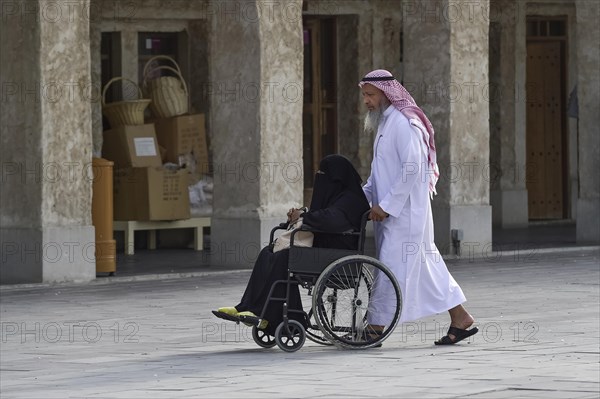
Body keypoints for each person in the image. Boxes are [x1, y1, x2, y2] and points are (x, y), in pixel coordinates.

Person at [359, 69, 478, 345]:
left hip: (406, 213)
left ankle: (376, 327)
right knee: (427, 265)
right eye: (364, 95)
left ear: (387, 94)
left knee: (390, 266)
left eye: (370, 95)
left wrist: (387, 206)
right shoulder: (385, 124)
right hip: (394, 213)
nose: (366, 101)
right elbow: (380, 172)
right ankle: (461, 318)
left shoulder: (403, 123)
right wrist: (363, 197)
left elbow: (413, 168)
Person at [214, 154, 370, 337]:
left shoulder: (352, 199)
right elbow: (323, 214)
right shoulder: (338, 195)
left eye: (323, 174)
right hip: (322, 249)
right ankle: (248, 307)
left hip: (337, 254)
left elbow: (332, 220)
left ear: (336, 176)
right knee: (269, 252)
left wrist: (304, 218)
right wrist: (302, 214)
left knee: (284, 258)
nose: (320, 178)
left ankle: (275, 316)